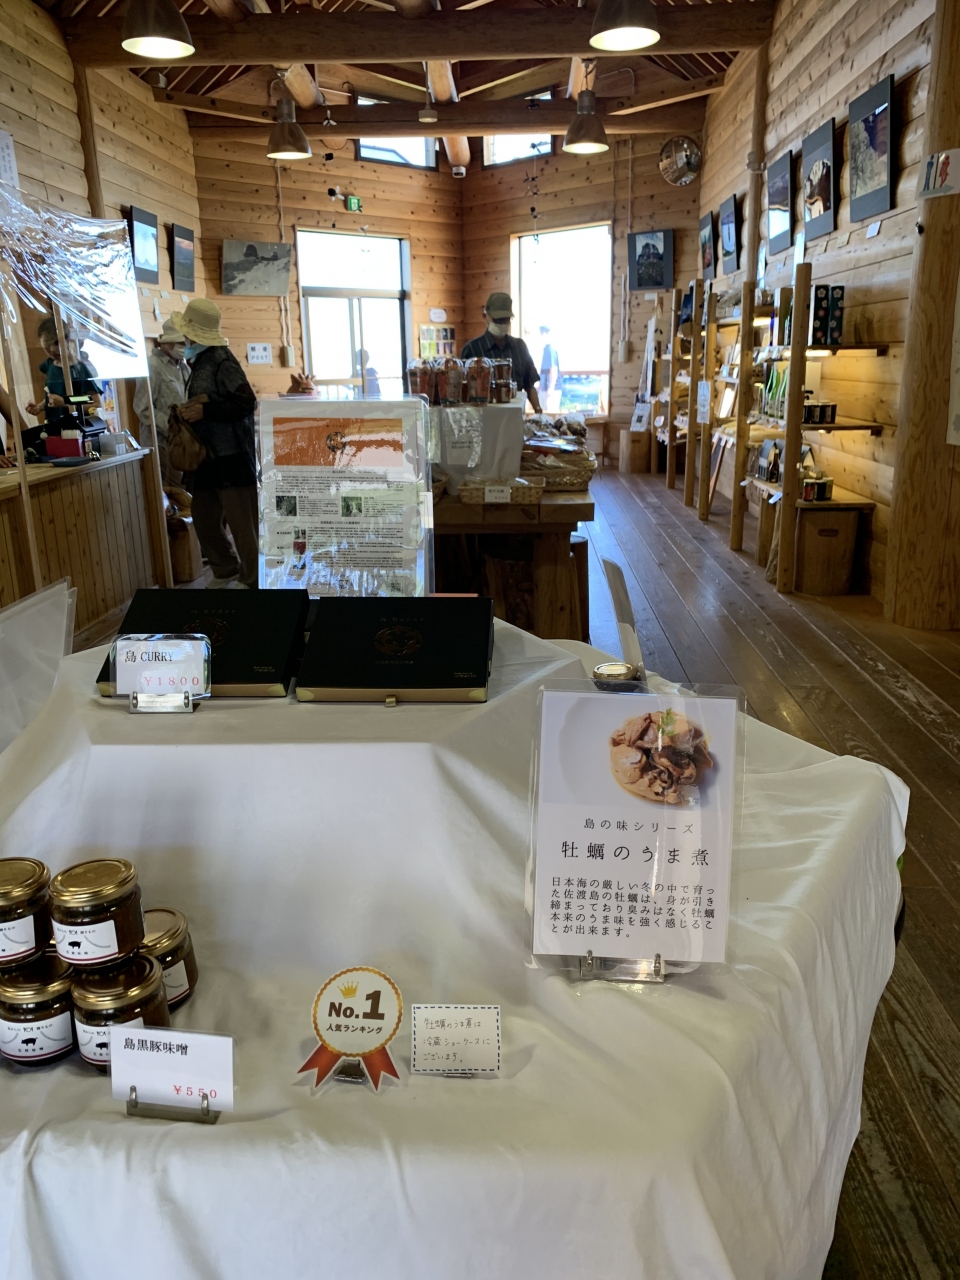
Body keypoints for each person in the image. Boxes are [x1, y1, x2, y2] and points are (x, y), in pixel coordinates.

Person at [172, 299, 259, 590]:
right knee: (204, 518)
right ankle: (225, 569)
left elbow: (246, 402)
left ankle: (251, 579)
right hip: (207, 457)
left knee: (243, 525)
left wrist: (205, 411)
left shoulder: (222, 361)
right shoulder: (201, 360)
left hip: (232, 456)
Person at [133, 318, 190, 503]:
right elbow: (143, 408)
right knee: (168, 495)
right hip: (160, 443)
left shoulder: (183, 367)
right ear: (166, 343)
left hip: (181, 442)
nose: (184, 347)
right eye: (181, 343)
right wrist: (171, 428)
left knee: (182, 492)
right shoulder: (152, 366)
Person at [24, 316, 101, 454]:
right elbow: (54, 394)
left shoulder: (79, 369)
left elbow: (94, 402)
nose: (53, 350)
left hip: (75, 434)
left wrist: (65, 402)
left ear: (67, 339)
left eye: (56, 343)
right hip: (52, 432)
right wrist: (40, 406)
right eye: (47, 347)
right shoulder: (49, 365)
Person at [460, 292, 541, 412]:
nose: (501, 324)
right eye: (497, 320)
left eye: (505, 320)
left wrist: (538, 411)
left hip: (514, 417)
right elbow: (462, 390)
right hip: (482, 417)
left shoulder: (519, 347)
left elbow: (529, 385)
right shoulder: (471, 349)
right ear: (486, 316)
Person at [539, 325, 562, 412]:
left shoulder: (550, 350)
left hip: (551, 389)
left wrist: (551, 388)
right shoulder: (545, 350)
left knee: (550, 413)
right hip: (544, 388)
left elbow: (553, 369)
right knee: (543, 412)